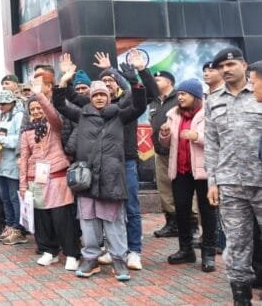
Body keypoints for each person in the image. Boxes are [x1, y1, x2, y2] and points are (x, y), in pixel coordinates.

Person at [54, 57, 147, 282]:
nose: (98, 98)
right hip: (86, 179)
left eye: (102, 95)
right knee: (88, 221)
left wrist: (135, 81)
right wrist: (64, 80)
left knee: (114, 222)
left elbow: (140, 105)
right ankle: (91, 258)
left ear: (108, 97)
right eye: (95, 94)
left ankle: (119, 259)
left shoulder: (119, 115)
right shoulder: (81, 115)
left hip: (111, 178)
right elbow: (60, 104)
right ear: (90, 97)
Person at [205, 47, 262, 305]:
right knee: (237, 244)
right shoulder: (213, 101)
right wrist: (212, 181)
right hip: (230, 183)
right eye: (221, 67)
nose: (226, 70)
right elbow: (211, 144)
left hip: (260, 180)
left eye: (231, 65)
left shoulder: (259, 92)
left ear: (244, 65)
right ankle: (241, 297)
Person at [158, 78, 216, 272]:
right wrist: (165, 134)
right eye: (179, 94)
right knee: (182, 210)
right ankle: (186, 250)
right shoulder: (173, 114)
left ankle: (208, 253)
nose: (180, 97)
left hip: (202, 171)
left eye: (184, 94)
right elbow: (166, 143)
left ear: (195, 96)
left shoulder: (207, 113)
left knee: (207, 212)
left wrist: (196, 137)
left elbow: (216, 139)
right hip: (180, 170)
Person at [18, 88, 80, 271]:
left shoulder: (54, 126)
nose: (36, 111)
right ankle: (49, 251)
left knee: (62, 218)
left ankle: (71, 253)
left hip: (57, 177)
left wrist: (39, 96)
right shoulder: (26, 133)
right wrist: (23, 184)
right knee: (42, 218)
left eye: (39, 108)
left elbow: (52, 114)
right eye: (33, 109)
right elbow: (24, 159)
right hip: (35, 180)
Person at [0, 90, 26, 246]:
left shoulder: (18, 116)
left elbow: (19, 140)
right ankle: (9, 225)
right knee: (4, 197)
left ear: (12, 102)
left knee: (14, 198)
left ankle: (18, 228)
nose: (1, 106)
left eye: (4, 104)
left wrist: (0, 139)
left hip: (12, 163)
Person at [149, 70, 180, 240]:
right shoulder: (154, 101)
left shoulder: (179, 98)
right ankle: (171, 223)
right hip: (159, 151)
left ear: (169, 82)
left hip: (178, 151)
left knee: (184, 188)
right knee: (164, 189)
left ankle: (191, 224)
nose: (154, 83)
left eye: (158, 80)